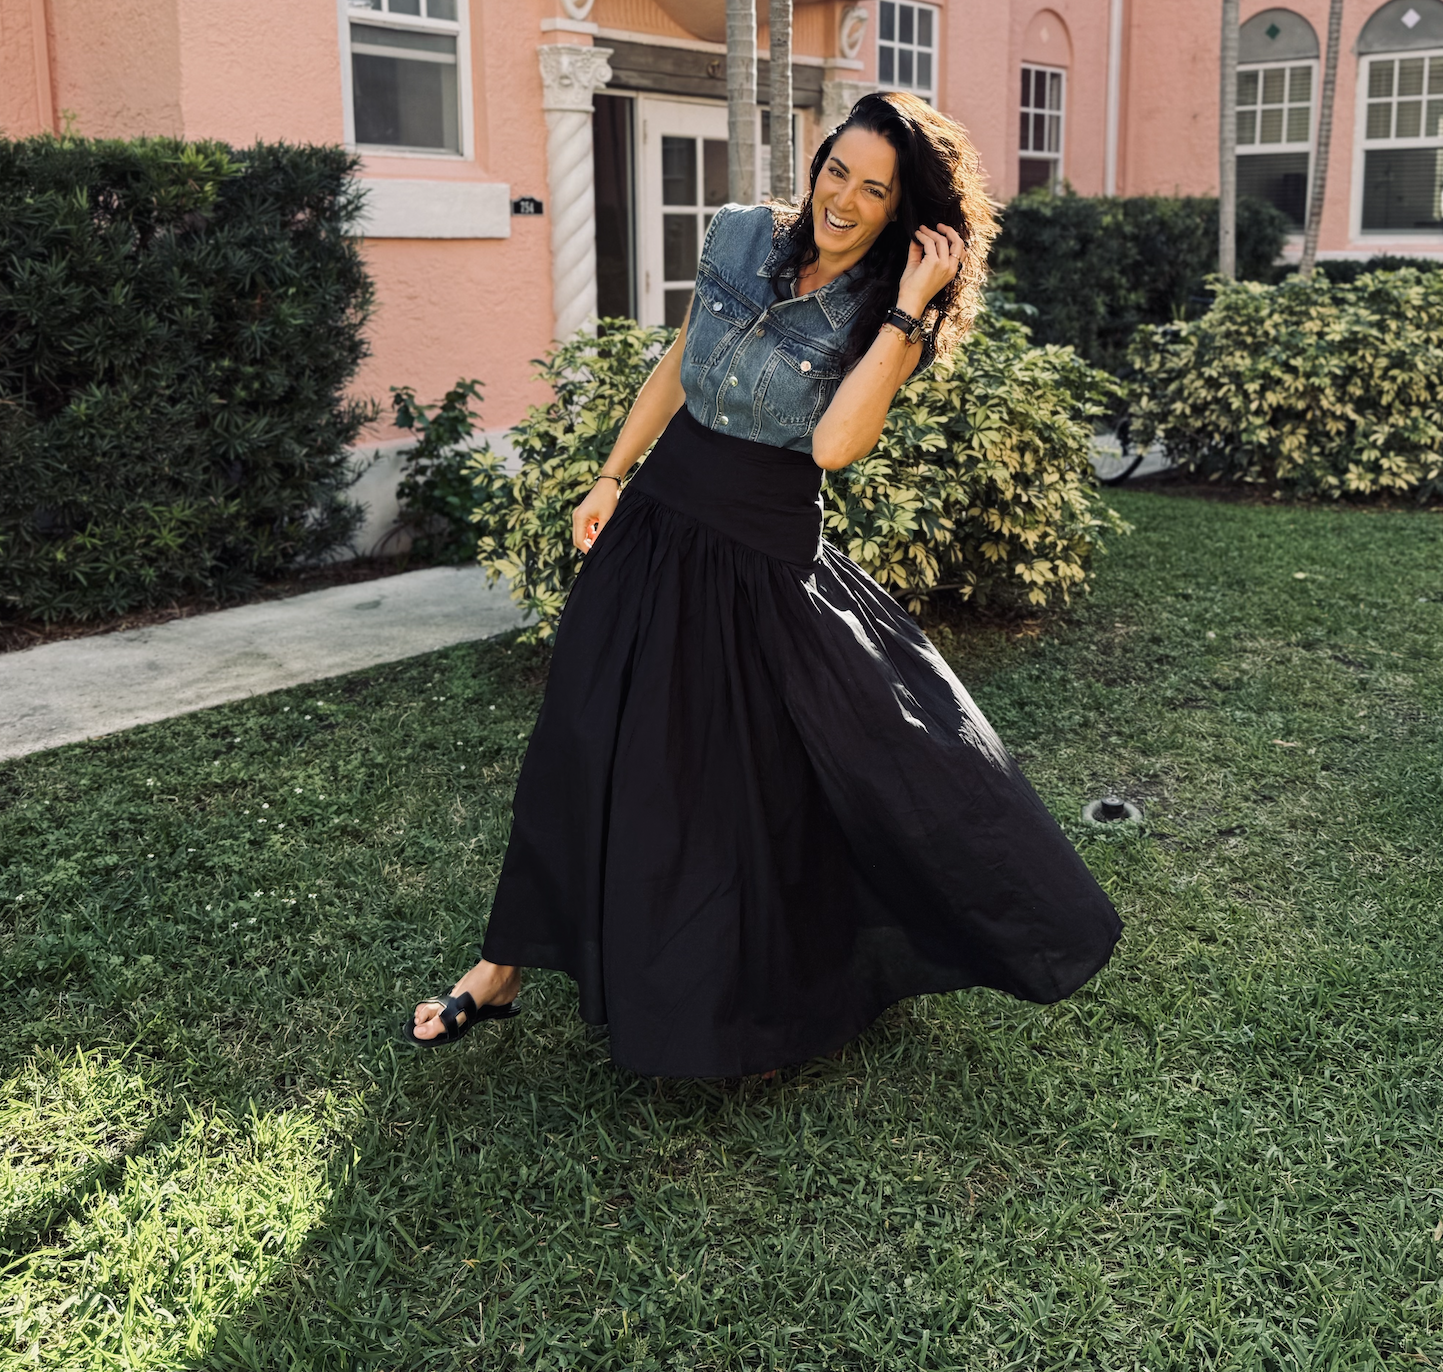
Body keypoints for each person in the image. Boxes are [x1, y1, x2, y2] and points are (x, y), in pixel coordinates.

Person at [404, 92, 1122, 1076]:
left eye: (875, 190)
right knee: (581, 737)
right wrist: (612, 475)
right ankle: (502, 965)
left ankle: (754, 983)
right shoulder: (738, 234)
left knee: (742, 784)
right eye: (837, 171)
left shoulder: (880, 312)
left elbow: (832, 445)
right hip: (658, 520)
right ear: (816, 162)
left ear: (902, 211)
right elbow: (680, 361)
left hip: (757, 558)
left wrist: (910, 311)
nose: (844, 200)